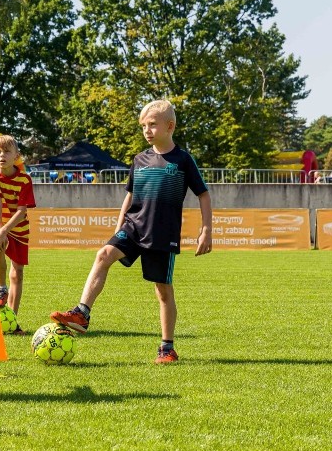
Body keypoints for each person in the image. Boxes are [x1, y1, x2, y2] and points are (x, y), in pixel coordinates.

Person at [50, 99, 212, 363]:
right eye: (143, 126)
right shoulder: (140, 159)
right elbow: (130, 195)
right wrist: (118, 226)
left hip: (162, 234)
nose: (147, 130)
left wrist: (206, 231)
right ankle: (82, 312)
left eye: (152, 125)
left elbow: (203, 195)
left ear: (170, 126)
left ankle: (167, 347)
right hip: (133, 226)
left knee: (162, 289)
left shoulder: (182, 160)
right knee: (103, 255)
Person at [0, 135, 36, 334]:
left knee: (18, 273)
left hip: (18, 227)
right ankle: (1, 288)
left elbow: (22, 211)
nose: (2, 155)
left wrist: (6, 229)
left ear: (16, 156)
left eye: (7, 152)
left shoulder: (24, 180)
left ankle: (12, 320)